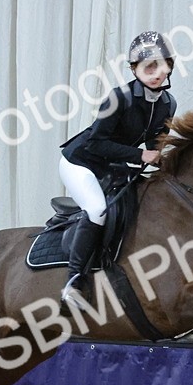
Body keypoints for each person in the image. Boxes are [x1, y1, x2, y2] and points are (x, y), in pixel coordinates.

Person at [57, 31, 178, 304]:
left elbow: (154, 142)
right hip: (81, 162)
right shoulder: (118, 98)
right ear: (134, 69)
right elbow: (97, 143)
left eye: (161, 65)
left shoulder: (168, 103)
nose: (156, 72)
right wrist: (140, 154)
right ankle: (73, 282)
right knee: (98, 210)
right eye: (148, 66)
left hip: (116, 166)